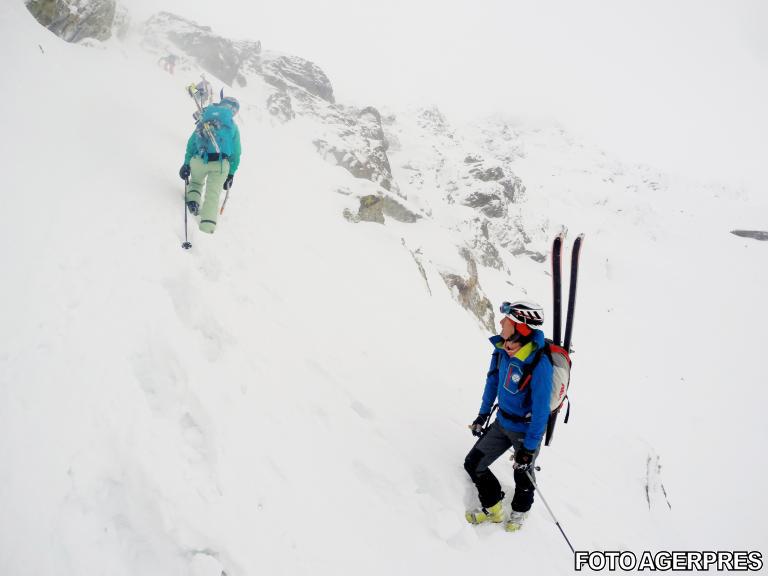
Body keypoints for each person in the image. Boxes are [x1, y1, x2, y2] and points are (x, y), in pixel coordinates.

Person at [463, 300, 553, 532]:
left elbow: (542, 411)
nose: (501, 322)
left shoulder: (539, 364)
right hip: (502, 423)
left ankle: (520, 511)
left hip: (525, 431)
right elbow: (492, 382)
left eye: (508, 320)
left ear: (521, 327)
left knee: (523, 474)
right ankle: (493, 507)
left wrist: (529, 449)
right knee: (473, 464)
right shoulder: (502, 349)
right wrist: (482, 416)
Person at [178, 96, 242, 234]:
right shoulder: (232, 127)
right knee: (213, 194)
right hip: (220, 164)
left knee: (195, 182)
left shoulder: (205, 119)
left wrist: (186, 164)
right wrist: (231, 174)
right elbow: (236, 154)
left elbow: (192, 143)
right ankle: (207, 226)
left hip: (199, 160)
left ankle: (193, 202)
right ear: (234, 111)